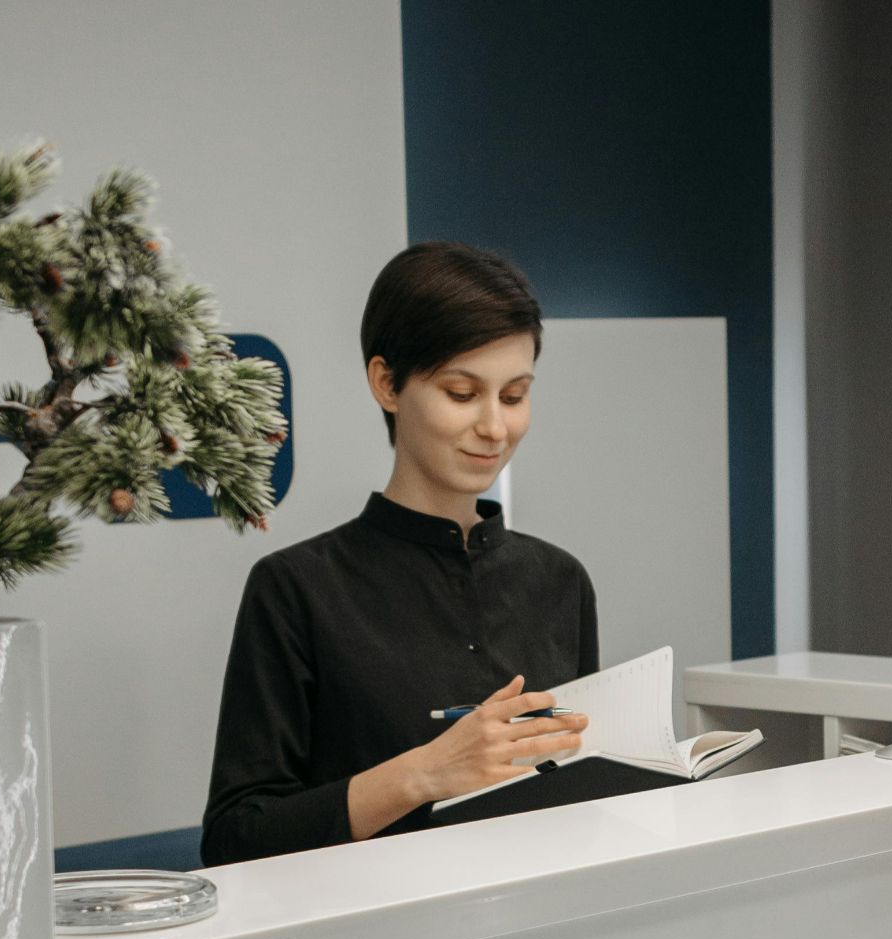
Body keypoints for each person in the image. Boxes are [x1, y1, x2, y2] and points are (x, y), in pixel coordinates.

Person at [201, 241, 598, 866]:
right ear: (387, 382)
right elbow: (234, 840)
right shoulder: (296, 588)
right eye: (462, 393)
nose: (495, 427)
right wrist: (423, 774)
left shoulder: (560, 581)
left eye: (514, 396)